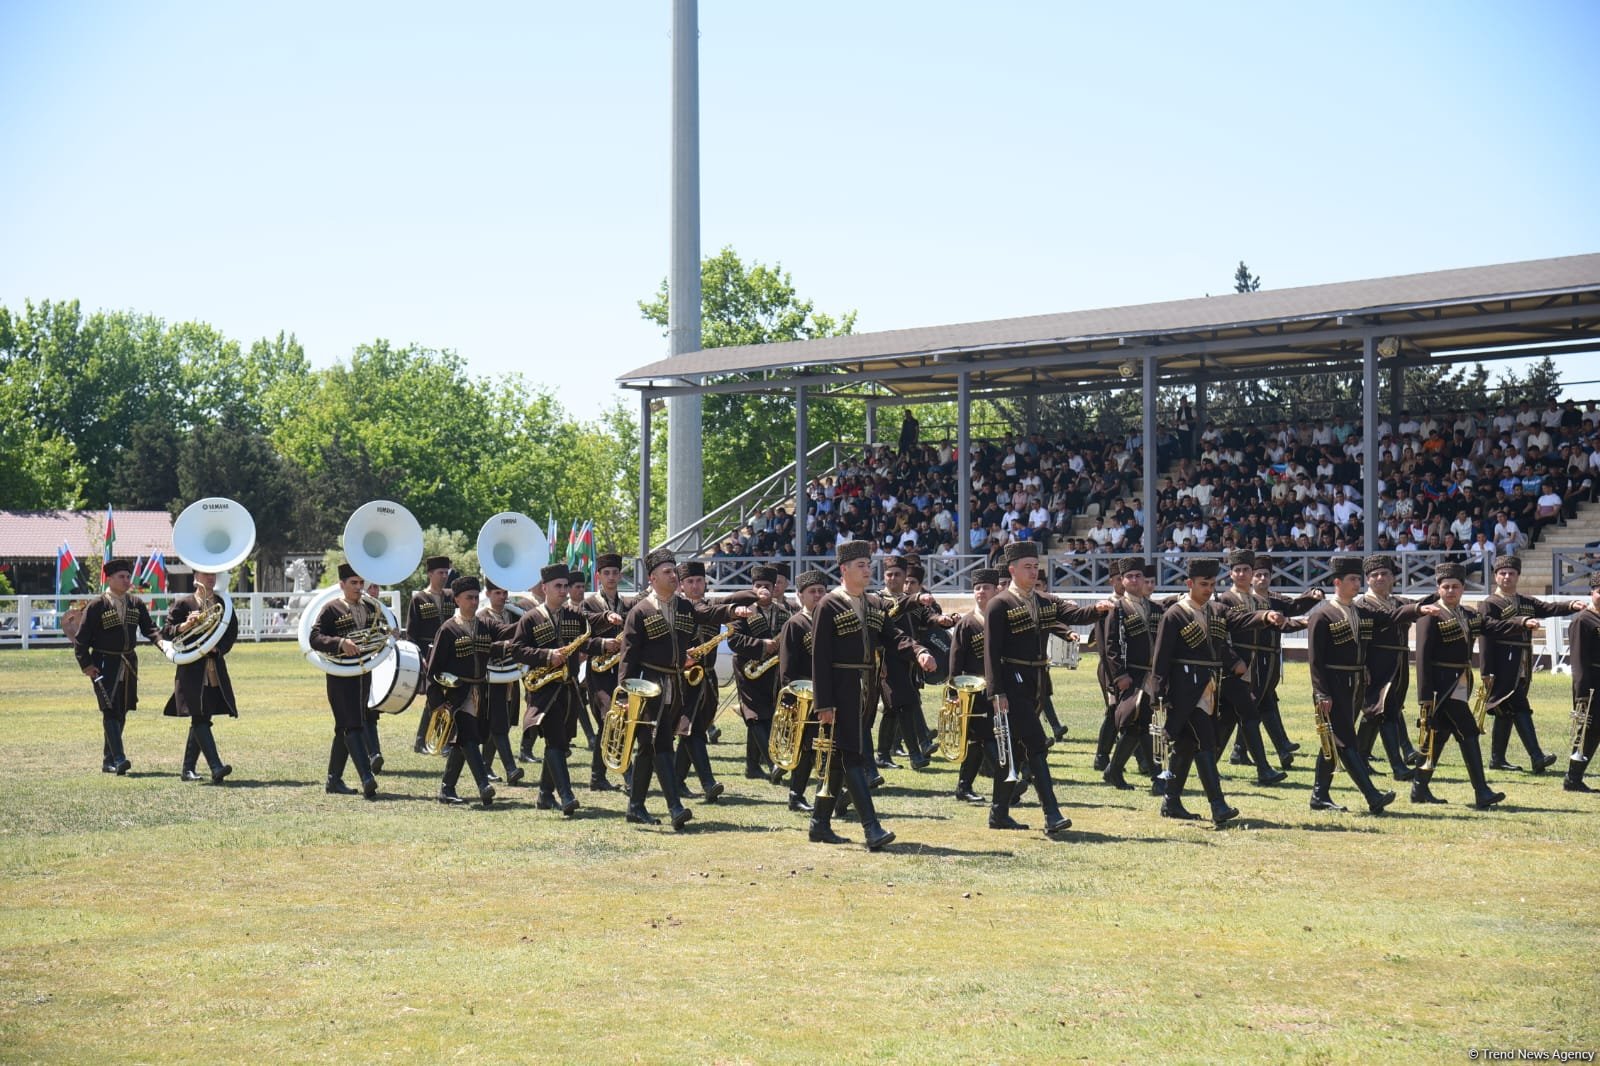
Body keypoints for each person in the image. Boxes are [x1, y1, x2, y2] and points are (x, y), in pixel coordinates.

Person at [616, 549, 752, 829]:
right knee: (661, 745)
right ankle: (675, 807)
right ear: (653, 578)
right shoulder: (640, 612)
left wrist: (732, 610)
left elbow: (707, 613)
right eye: (667, 572)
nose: (673, 575)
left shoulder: (684, 606)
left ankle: (635, 807)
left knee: (648, 748)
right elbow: (628, 657)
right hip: (648, 686)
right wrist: (625, 694)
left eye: (674, 570)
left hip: (677, 684)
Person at [983, 541, 1111, 835]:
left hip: (1036, 680)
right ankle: (1052, 813)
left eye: (1035, 566)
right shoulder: (999, 604)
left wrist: (1098, 609)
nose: (1033, 572)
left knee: (1016, 749)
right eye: (1027, 567)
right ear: (1012, 570)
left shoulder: (1044, 600)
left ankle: (998, 813)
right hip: (1012, 679)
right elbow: (991, 652)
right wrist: (996, 692)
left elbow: (1074, 615)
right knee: (1036, 743)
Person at [811, 541, 925, 849]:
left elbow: (893, 635)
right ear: (844, 569)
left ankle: (819, 824)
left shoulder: (874, 603)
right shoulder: (828, 605)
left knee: (840, 756)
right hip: (840, 689)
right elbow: (819, 657)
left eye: (868, 564)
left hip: (866, 689)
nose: (867, 570)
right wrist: (824, 703)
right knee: (852, 756)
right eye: (860, 565)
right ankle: (871, 828)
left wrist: (918, 651)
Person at [1304, 557, 1431, 815]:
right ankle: (1372, 796)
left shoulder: (1359, 611)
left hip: (1356, 684)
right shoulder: (1322, 615)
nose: (1357, 584)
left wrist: (1418, 609)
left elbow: (1391, 616)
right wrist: (1321, 692)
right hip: (1334, 685)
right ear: (1337, 582)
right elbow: (1315, 660)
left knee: (1335, 739)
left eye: (1357, 579)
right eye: (1352, 579)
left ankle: (1319, 795)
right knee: (1345, 741)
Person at [1411, 562, 1539, 808]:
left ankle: (1419, 788)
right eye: (1446, 587)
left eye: (1455, 587)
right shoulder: (1430, 616)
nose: (1450, 591)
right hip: (1441, 688)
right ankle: (1482, 791)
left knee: (1439, 735)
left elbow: (1493, 626)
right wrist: (1425, 696)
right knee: (1468, 731)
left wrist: (1521, 623)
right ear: (1438, 588)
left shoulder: (1468, 614)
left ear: (1463, 589)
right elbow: (1422, 658)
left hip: (1460, 682)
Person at [505, 564, 613, 814]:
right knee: (555, 739)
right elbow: (517, 650)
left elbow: (585, 642)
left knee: (562, 742)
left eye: (566, 586)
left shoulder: (574, 615)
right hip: (543, 687)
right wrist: (547, 655)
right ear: (545, 588)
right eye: (558, 586)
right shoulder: (530, 618)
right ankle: (566, 796)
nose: (564, 591)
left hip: (569, 688)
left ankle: (545, 795)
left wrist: (604, 644)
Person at [1149, 557, 1244, 828]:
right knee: (1205, 740)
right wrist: (1158, 694)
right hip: (1183, 691)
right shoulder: (1175, 614)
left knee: (1187, 745)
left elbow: (1239, 622)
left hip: (1208, 687)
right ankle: (1218, 805)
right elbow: (1161, 657)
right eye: (1204, 584)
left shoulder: (1215, 611)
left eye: (1213, 584)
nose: (1209, 590)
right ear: (1189, 583)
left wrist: (1266, 617)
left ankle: (1171, 801)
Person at [1477, 557, 1586, 774]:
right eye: (1503, 573)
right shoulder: (1490, 603)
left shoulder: (1525, 601)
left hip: (1522, 662)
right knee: (1519, 706)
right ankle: (1537, 757)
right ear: (1495, 576)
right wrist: (1486, 670)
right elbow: (1486, 632)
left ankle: (1497, 759)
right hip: (1502, 664)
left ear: (1518, 576)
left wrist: (1571, 605)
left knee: (1506, 710)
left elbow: (1548, 608)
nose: (1507, 577)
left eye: (1511, 573)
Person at [424, 575, 523, 807]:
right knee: (468, 736)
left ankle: (447, 788)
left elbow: (508, 631)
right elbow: (433, 669)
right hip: (457, 694)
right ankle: (483, 785)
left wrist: (530, 619)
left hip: (482, 692)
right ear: (457, 599)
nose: (474, 602)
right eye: (469, 597)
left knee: (464, 741)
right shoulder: (447, 629)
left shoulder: (485, 624)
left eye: (476, 597)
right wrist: (437, 701)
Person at [73, 558, 169, 775]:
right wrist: (86, 664)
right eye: (121, 577)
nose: (126, 580)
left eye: (128, 576)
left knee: (122, 708)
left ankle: (109, 760)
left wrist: (162, 643)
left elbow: (150, 629)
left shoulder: (136, 603)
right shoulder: (97, 605)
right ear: (110, 579)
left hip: (128, 663)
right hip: (103, 663)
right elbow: (81, 639)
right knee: (109, 708)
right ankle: (119, 758)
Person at [306, 562, 386, 799]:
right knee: (352, 725)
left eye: (361, 583)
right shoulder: (331, 608)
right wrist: (340, 643)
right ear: (341, 584)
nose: (359, 587)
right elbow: (314, 637)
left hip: (362, 674)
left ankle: (334, 780)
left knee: (346, 725)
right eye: (353, 583)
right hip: (340, 675)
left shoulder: (370, 607)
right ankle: (367, 778)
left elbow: (378, 632)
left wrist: (387, 634)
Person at [161, 568, 239, 783]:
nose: (211, 578)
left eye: (213, 575)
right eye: (206, 574)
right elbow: (166, 632)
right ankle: (216, 766)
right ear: (195, 577)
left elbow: (231, 633)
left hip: (214, 669)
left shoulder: (223, 604)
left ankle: (187, 770)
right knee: (199, 715)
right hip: (191, 669)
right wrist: (184, 626)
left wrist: (218, 649)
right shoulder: (183, 604)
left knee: (203, 716)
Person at [1353, 555, 1424, 780]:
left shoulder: (1399, 602)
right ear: (1367, 580)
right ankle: (1398, 767)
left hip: (1400, 663)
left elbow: (1420, 607)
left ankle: (1359, 760)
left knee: (1376, 713)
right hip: (1376, 663)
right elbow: (1359, 640)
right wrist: (1362, 665)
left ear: (1393, 577)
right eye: (1374, 575)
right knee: (1385, 712)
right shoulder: (1362, 605)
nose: (1380, 578)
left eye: (1384, 574)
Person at [673, 561, 735, 800]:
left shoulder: (712, 609)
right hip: (684, 679)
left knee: (694, 729)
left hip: (707, 677)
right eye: (689, 581)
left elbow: (733, 601)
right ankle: (708, 783)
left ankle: (677, 781)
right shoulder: (676, 608)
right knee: (692, 730)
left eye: (699, 580)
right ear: (681, 585)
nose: (695, 585)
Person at [1100, 560, 1161, 793]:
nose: (1135, 580)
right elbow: (1111, 646)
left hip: (1152, 675)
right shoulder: (1117, 609)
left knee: (1139, 725)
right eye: (1130, 576)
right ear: (1123, 580)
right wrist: (1119, 675)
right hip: (1132, 674)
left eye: (1138, 576)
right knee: (1139, 723)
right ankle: (1157, 777)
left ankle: (1114, 770)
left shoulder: (1155, 609)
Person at [727, 564, 788, 786]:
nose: (763, 589)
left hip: (771, 670)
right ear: (752, 587)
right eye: (758, 585)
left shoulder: (784, 612)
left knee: (767, 714)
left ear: (774, 588)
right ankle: (773, 763)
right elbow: (733, 640)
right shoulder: (742, 611)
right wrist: (761, 644)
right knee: (753, 714)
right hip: (747, 668)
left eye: (767, 586)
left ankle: (752, 766)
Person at [946, 567, 1002, 805]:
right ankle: (1007, 782)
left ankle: (964, 787)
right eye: (977, 588)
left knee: (981, 741)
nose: (981, 592)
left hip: (999, 688)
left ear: (996, 590)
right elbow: (955, 659)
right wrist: (953, 691)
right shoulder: (967, 623)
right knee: (984, 737)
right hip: (973, 692)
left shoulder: (1002, 620)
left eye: (986, 588)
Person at [777, 569, 829, 814]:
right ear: (800, 595)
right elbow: (787, 667)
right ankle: (795, 795)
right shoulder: (795, 624)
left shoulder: (830, 622)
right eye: (812, 592)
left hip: (828, 693)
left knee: (827, 744)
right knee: (806, 747)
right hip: (805, 696)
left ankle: (829, 791)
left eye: (821, 591)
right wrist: (792, 698)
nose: (817, 595)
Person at [579, 552, 631, 790]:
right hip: (598, 672)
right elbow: (580, 640)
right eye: (606, 573)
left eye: (615, 573)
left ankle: (597, 777)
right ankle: (629, 775)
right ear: (598, 576)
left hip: (621, 671)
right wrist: (602, 644)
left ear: (619, 575)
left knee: (608, 724)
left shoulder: (627, 604)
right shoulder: (588, 605)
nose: (611, 577)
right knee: (611, 717)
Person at [476, 579, 525, 786]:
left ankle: (485, 766)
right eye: (497, 593)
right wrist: (506, 645)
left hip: (510, 674)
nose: (503, 597)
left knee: (501, 722)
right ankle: (511, 768)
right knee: (498, 722)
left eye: (505, 592)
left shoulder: (513, 614)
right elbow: (482, 646)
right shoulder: (481, 617)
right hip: (491, 675)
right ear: (488, 594)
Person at [409, 555, 454, 754]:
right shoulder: (419, 599)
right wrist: (419, 657)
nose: (444, 576)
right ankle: (434, 741)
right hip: (429, 654)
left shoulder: (451, 596)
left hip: (450, 653)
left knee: (448, 697)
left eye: (446, 572)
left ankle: (427, 741)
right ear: (430, 574)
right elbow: (412, 633)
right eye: (440, 572)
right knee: (435, 697)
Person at [1563, 572, 1600, 792]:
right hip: (1592, 683)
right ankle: (1573, 777)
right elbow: (1578, 660)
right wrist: (1582, 692)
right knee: (1589, 729)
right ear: (1592, 592)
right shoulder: (1582, 620)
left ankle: (1574, 777)